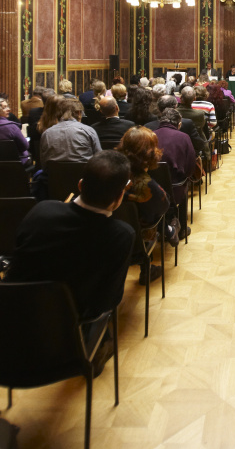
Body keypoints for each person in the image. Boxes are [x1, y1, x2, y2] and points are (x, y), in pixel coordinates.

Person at [6, 150, 135, 323]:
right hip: (67, 330)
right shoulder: (122, 235)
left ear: (80, 185)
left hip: (11, 313)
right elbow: (107, 301)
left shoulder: (41, 210)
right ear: (120, 197)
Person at [115, 127, 173, 281]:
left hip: (111, 237)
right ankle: (170, 231)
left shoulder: (112, 171)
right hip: (138, 240)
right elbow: (164, 206)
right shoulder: (147, 185)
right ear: (149, 153)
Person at [150, 108, 197, 241]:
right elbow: (190, 165)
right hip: (176, 189)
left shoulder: (150, 135)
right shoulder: (184, 137)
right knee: (184, 185)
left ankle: (160, 229)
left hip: (152, 188)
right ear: (179, 124)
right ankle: (181, 229)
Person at [40, 98, 101, 168]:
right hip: (84, 176)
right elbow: (98, 158)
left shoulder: (47, 133)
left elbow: (44, 163)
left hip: (54, 177)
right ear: (79, 113)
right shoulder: (89, 131)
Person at [0, 96, 30, 164]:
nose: (9, 109)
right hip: (16, 162)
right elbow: (25, 146)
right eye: (4, 107)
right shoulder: (12, 127)